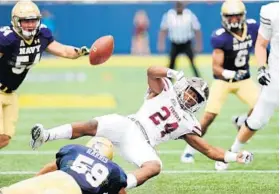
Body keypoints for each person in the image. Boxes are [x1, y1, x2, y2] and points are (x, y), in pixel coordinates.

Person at [30, 65, 253, 190]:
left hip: (143, 142)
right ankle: (46, 135)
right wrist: (172, 73)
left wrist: (235, 157)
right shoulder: (165, 89)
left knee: (155, 165)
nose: (191, 98)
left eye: (196, 98)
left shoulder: (189, 122)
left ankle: (118, 183)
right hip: (130, 124)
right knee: (91, 125)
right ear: (183, 86)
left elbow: (208, 150)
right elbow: (150, 70)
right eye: (190, 92)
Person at [0, 0, 90, 149]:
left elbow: (63, 51)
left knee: (4, 139)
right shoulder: (7, 39)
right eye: (25, 21)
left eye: (33, 20)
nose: (30, 25)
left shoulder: (42, 35)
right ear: (16, 22)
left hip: (11, 93)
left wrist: (80, 52)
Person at [181, 0, 260, 163]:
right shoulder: (220, 37)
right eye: (229, 17)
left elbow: (263, 42)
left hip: (244, 80)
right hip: (223, 81)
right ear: (224, 18)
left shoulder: (252, 27)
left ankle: (243, 121)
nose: (234, 20)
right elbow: (216, 68)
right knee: (208, 117)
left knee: (259, 107)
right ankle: (189, 149)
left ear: (243, 16)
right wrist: (232, 74)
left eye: (237, 16)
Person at [215, 2, 279, 171]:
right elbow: (261, 44)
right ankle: (232, 152)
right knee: (257, 120)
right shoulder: (271, 11)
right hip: (276, 75)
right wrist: (262, 68)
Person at [0, 137, 127, 194]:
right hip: (76, 190)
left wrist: (36, 180)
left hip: (57, 176)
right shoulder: (114, 169)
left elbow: (51, 167)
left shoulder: (76, 149)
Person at [157, 1, 202, 77]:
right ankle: (168, 82)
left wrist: (199, 44)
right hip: (175, 43)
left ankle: (199, 79)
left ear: (183, 6)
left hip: (186, 43)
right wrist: (161, 43)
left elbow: (197, 30)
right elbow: (163, 30)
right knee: (171, 63)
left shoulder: (189, 14)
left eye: (180, 6)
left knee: (193, 63)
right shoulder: (169, 15)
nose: (179, 8)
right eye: (177, 6)